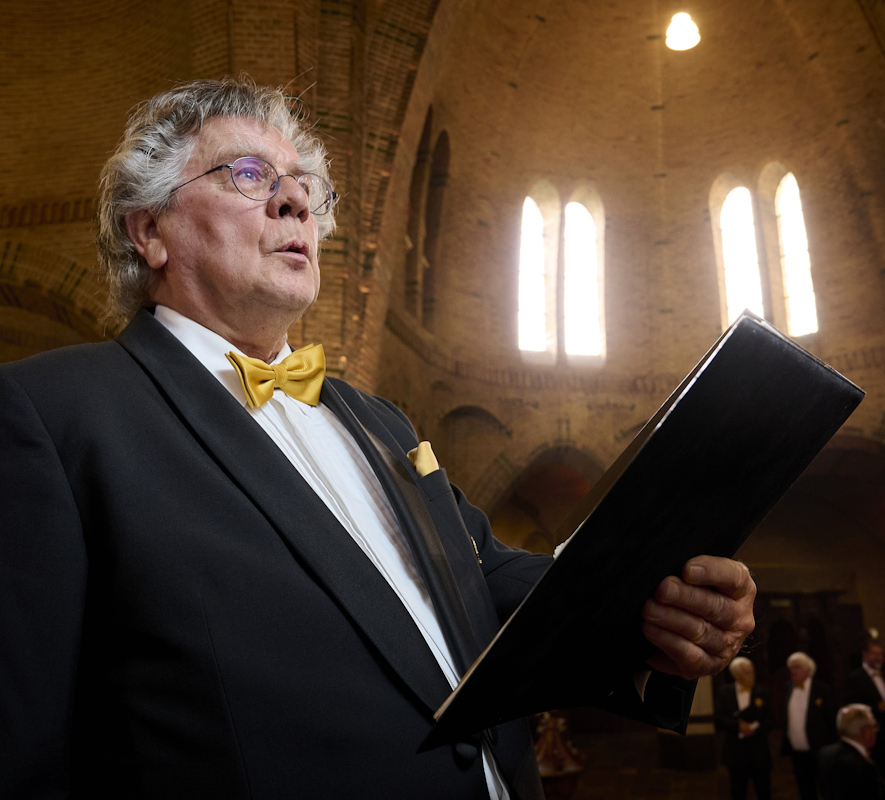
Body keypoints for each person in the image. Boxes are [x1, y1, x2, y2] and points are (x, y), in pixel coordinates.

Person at [0, 77, 757, 799]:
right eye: (249, 174)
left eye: (304, 184)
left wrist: (655, 606)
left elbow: (488, 582)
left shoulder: (377, 419)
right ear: (149, 229)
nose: (296, 199)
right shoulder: (54, 413)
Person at [782, 651, 837, 800]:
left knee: (826, 789)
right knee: (804, 790)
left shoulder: (822, 689)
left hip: (819, 751)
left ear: (808, 669)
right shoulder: (789, 687)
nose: (793, 671)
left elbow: (832, 721)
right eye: (791, 667)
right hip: (797, 752)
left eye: (797, 667)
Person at [716, 657, 773, 800]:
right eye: (747, 673)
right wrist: (738, 726)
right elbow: (719, 718)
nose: (752, 676)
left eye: (752, 672)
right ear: (736, 675)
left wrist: (754, 729)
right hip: (735, 752)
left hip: (759, 752)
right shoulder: (724, 692)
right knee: (737, 791)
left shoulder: (762, 692)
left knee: (764, 791)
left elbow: (771, 720)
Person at [818, 704, 885, 800]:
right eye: (874, 726)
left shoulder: (825, 753)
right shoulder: (865, 766)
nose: (876, 731)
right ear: (865, 732)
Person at [846, 639, 885, 774]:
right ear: (865, 654)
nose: (879, 658)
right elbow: (853, 707)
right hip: (872, 734)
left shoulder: (883, 673)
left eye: (880, 654)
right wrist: (876, 707)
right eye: (874, 654)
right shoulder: (855, 678)